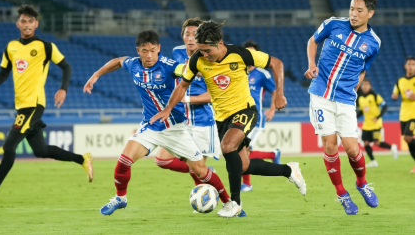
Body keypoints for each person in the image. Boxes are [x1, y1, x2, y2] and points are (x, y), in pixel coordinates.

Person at [151, 21, 306, 218]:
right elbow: (182, 86)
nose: (204, 55)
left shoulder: (240, 54)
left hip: (245, 110)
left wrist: (279, 94)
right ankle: (289, 170)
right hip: (222, 118)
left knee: (228, 147)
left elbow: (276, 63)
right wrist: (168, 109)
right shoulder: (197, 60)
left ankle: (234, 203)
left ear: (220, 43)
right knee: (243, 166)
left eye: (207, 50)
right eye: (201, 50)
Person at [83, 30, 236, 217]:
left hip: (176, 128)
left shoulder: (169, 66)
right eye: (145, 51)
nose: (149, 55)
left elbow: (186, 71)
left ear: (159, 49)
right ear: (138, 50)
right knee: (124, 161)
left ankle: (229, 203)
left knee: (202, 172)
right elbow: (118, 61)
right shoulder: (133, 64)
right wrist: (96, 75)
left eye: (153, 50)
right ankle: (120, 198)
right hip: (151, 126)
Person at [0, 5, 93, 204]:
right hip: (21, 105)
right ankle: (82, 159)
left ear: (36, 24)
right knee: (40, 151)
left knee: (8, 146)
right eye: (23, 21)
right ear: (18, 24)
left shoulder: (45, 47)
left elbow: (66, 66)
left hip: (34, 105)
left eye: (30, 21)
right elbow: (4, 72)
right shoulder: (11, 48)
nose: (27, 25)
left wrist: (63, 89)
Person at [305, 0, 380, 215]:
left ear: (370, 13)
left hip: (346, 99)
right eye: (351, 9)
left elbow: (363, 70)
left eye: (359, 10)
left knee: (352, 149)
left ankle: (362, 183)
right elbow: (312, 40)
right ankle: (341, 193)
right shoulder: (333, 24)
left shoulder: (374, 43)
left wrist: (355, 87)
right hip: (320, 95)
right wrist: (311, 64)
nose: (353, 14)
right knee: (330, 144)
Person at [154, 18, 220, 186]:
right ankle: (206, 173)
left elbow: (213, 96)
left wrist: (186, 99)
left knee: (199, 172)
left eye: (194, 34)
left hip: (202, 121)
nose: (190, 38)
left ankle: (217, 200)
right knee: (162, 160)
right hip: (181, 119)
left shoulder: (212, 58)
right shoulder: (177, 52)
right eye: (187, 34)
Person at [240, 40, 280, 192]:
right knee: (242, 151)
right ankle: (273, 153)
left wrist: (272, 109)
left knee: (243, 150)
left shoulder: (262, 74)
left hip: (256, 118)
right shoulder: (238, 71)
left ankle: (247, 184)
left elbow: (275, 91)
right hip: (240, 117)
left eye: (253, 53)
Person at [357, 78, 398, 167]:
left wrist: (378, 117)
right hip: (366, 125)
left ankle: (392, 147)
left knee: (377, 143)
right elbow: (362, 111)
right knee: (366, 143)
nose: (365, 86)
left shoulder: (375, 96)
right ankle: (373, 161)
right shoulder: (360, 99)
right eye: (363, 85)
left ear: (370, 86)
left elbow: (385, 106)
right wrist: (355, 117)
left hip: (376, 124)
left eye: (367, 85)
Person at [391, 56, 415, 172]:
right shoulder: (400, 81)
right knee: (407, 140)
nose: (411, 66)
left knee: (407, 137)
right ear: (405, 66)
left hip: (413, 115)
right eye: (409, 64)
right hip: (403, 115)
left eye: (413, 64)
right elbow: (395, 94)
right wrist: (394, 96)